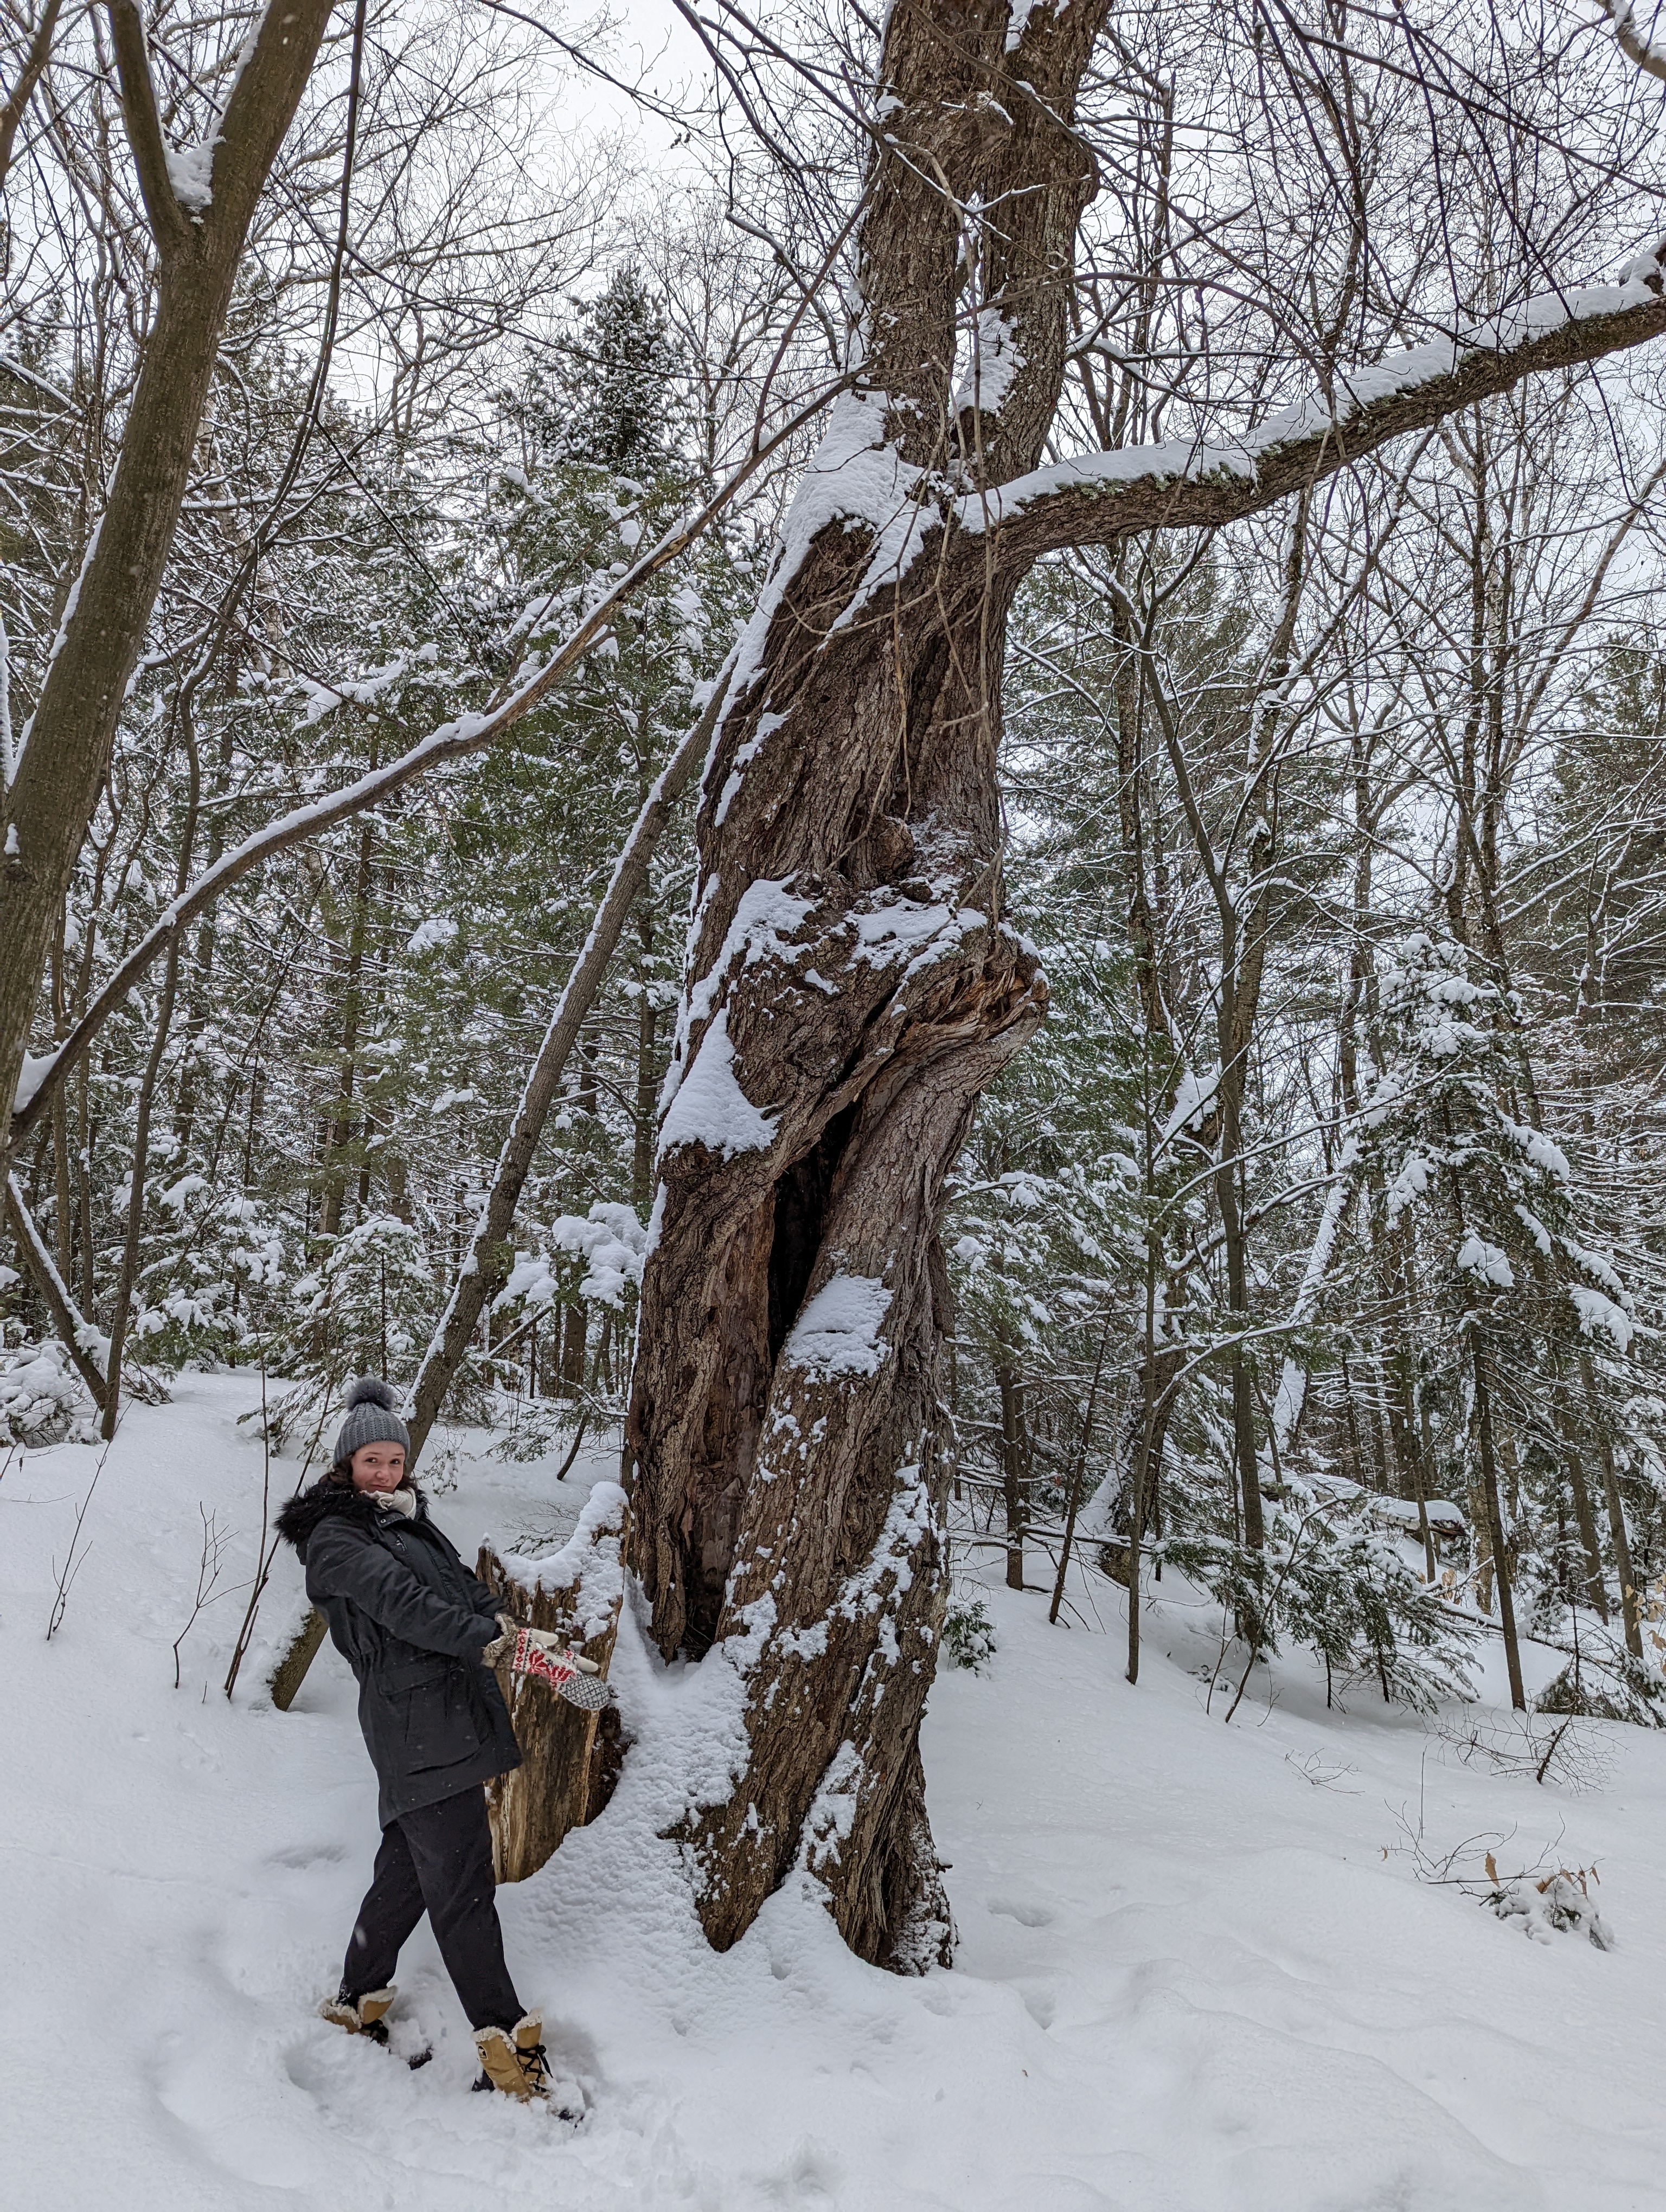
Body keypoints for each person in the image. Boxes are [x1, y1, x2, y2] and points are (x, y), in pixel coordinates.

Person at [276, 1376, 579, 2101]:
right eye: (370, 1461)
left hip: (443, 1717)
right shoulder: (335, 1538)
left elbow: (463, 1589)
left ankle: (356, 2002)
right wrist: (497, 1646)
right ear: (347, 1464)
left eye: (393, 1460)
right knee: (463, 1889)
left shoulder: (408, 1520)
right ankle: (508, 2051)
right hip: (417, 1728)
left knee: (408, 1871)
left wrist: (508, 1625)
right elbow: (406, 1606)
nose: (384, 1473)